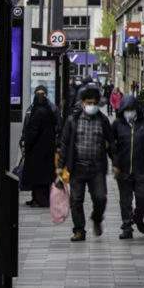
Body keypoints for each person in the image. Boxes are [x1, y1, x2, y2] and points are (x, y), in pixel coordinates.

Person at [58, 85, 115, 242]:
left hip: (97, 167)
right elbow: (65, 143)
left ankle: (97, 218)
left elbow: (111, 143)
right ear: (82, 102)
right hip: (77, 166)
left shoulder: (103, 121)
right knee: (76, 200)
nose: (91, 105)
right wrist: (60, 167)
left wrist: (116, 162)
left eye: (94, 103)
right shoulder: (73, 120)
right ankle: (79, 230)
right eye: (88, 102)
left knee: (100, 198)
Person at [111, 95, 144, 239]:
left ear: (136, 109)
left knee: (142, 197)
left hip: (141, 169)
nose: (129, 112)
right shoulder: (117, 124)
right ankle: (127, 227)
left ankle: (138, 218)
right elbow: (112, 146)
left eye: (132, 109)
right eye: (127, 109)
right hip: (123, 169)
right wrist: (115, 163)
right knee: (125, 200)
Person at [22, 86, 57, 207]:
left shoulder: (37, 112)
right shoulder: (49, 110)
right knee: (45, 177)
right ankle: (40, 199)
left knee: (36, 176)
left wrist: (27, 144)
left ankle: (39, 200)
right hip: (48, 149)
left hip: (36, 150)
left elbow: (32, 131)